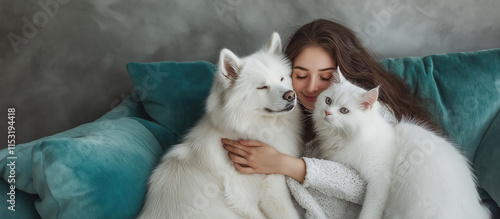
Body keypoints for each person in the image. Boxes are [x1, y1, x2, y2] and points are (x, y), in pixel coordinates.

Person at [221, 19, 437, 218]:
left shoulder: (372, 115)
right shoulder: (289, 118)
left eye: (325, 77)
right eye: (301, 75)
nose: (312, 86)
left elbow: (379, 187)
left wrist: (288, 165)